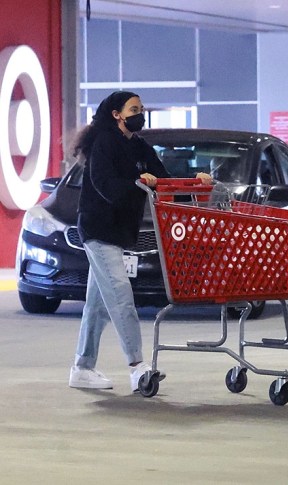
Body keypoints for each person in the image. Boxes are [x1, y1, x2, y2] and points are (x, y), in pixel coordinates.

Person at [68, 91, 212, 392]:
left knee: (97, 304)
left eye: (142, 108)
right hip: (99, 229)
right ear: (116, 115)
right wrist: (139, 184)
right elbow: (106, 187)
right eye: (134, 109)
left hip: (120, 233)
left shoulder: (140, 147)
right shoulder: (104, 144)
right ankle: (137, 367)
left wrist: (196, 183)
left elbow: (164, 181)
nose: (140, 113)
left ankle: (82, 367)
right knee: (121, 296)